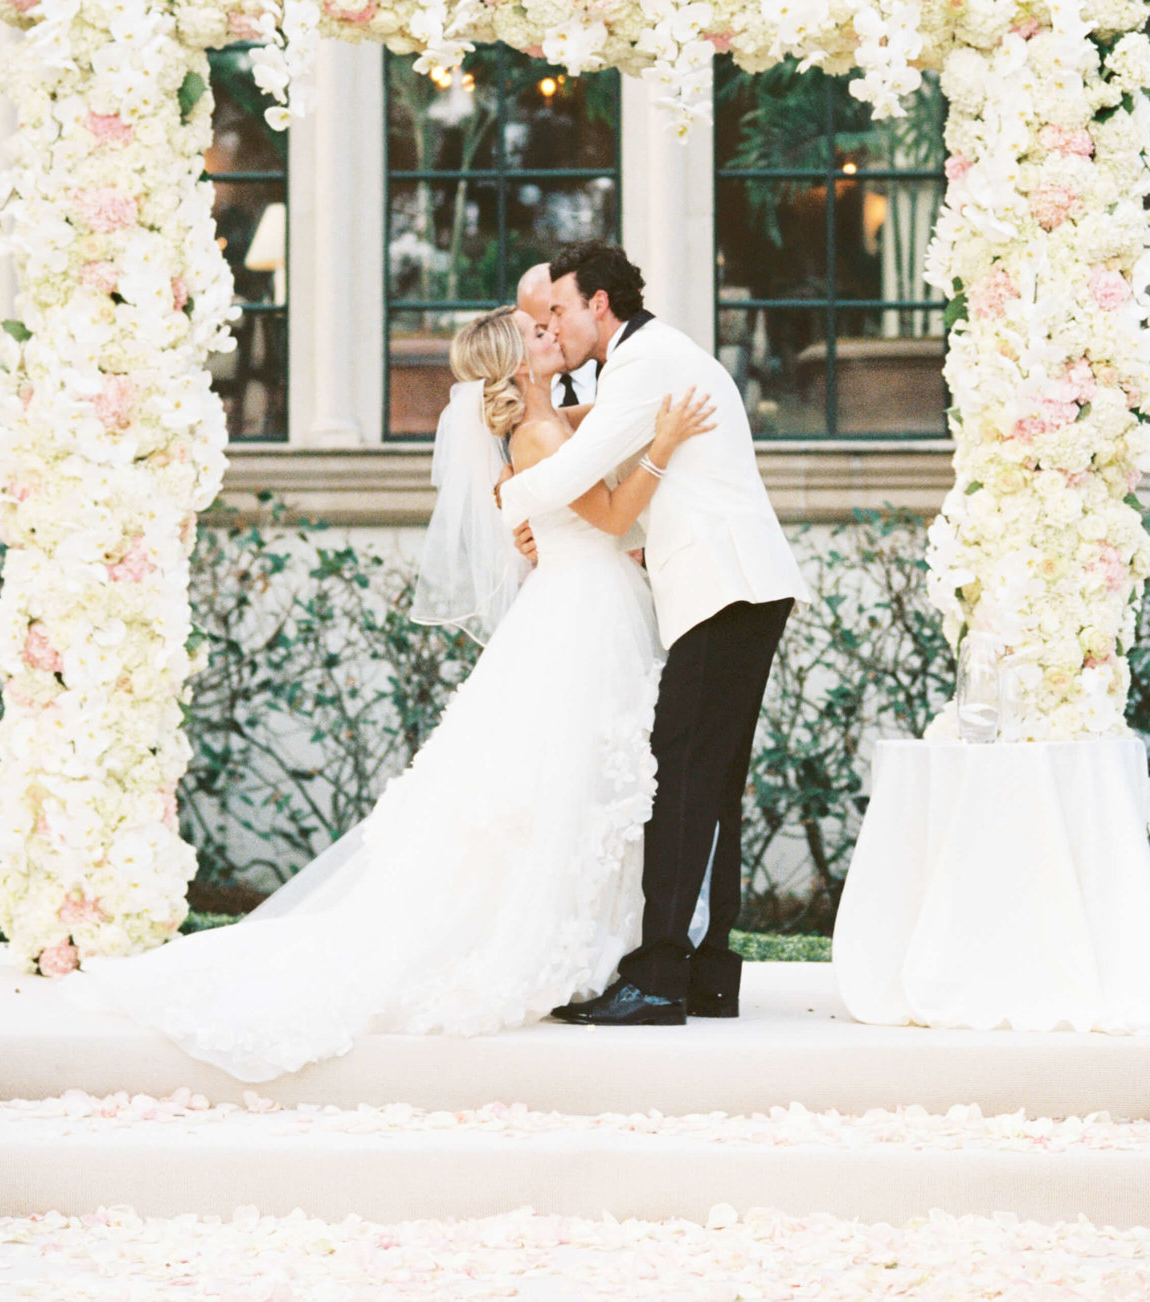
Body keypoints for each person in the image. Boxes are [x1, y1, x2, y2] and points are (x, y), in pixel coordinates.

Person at [63, 307, 714, 1081]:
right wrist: (665, 447)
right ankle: (554, 940)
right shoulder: (538, 437)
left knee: (576, 778)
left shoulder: (547, 424)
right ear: (517, 366)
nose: (551, 334)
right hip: (582, 615)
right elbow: (610, 512)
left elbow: (589, 434)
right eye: (537, 335)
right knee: (568, 775)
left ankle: (591, 940)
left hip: (582, 605)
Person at [500, 241, 811, 1027]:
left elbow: (578, 471)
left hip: (722, 589)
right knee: (711, 780)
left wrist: (507, 499)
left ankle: (659, 978)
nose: (554, 322)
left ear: (598, 305)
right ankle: (708, 971)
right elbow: (593, 429)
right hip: (739, 587)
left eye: (561, 309)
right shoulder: (646, 360)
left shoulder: (643, 364)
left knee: (679, 773)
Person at [516, 262, 598, 408]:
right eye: (540, 332)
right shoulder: (513, 397)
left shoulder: (618, 369)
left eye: (560, 317)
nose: (553, 335)